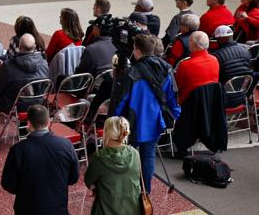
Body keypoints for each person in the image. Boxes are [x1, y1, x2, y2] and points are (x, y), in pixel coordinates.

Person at [114, 34, 180, 193]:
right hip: (155, 121)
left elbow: (121, 101)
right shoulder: (166, 69)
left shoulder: (132, 72)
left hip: (132, 122)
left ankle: (129, 190)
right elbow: (172, 96)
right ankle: (146, 191)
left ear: (137, 51)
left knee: (128, 158)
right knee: (148, 157)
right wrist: (176, 115)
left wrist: (113, 120)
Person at [1, 104, 79, 215]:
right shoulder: (66, 144)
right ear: (48, 122)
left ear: (28, 123)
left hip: (27, 209)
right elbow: (73, 178)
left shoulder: (18, 150)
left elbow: (8, 184)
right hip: (58, 209)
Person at [0, 34, 48, 143]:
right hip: (38, 102)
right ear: (35, 46)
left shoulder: (9, 65)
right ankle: (23, 128)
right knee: (22, 93)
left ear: (19, 47)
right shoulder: (44, 63)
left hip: (13, 105)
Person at [84, 116, 142, 215]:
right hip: (133, 208)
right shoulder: (134, 153)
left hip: (106, 209)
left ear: (106, 132)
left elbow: (88, 180)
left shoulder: (99, 158)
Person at [212, 25, 254, 107]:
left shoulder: (215, 56)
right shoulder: (246, 50)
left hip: (224, 99)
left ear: (220, 39)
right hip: (243, 95)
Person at [175, 31, 220, 105]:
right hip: (210, 102)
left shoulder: (185, 65)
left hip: (188, 105)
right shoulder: (215, 60)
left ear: (193, 45)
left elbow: (177, 88)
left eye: (190, 40)